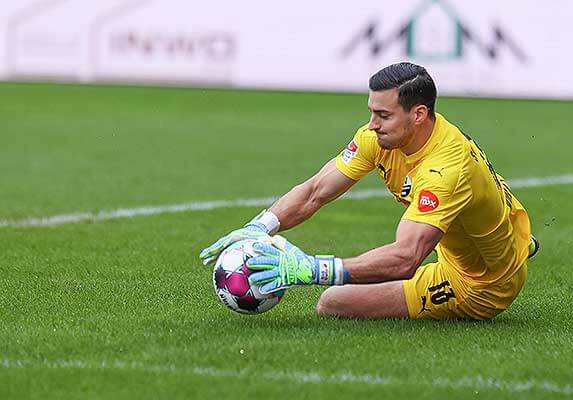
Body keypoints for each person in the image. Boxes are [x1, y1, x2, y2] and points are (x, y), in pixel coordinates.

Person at [199, 62, 538, 320]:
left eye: (383, 115)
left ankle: (505, 260)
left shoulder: (445, 170)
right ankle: (513, 242)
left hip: (482, 284)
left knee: (332, 301)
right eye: (371, 112)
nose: (372, 124)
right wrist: (261, 225)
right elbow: (316, 190)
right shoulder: (380, 138)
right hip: (482, 232)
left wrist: (310, 269)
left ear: (419, 114)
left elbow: (406, 257)